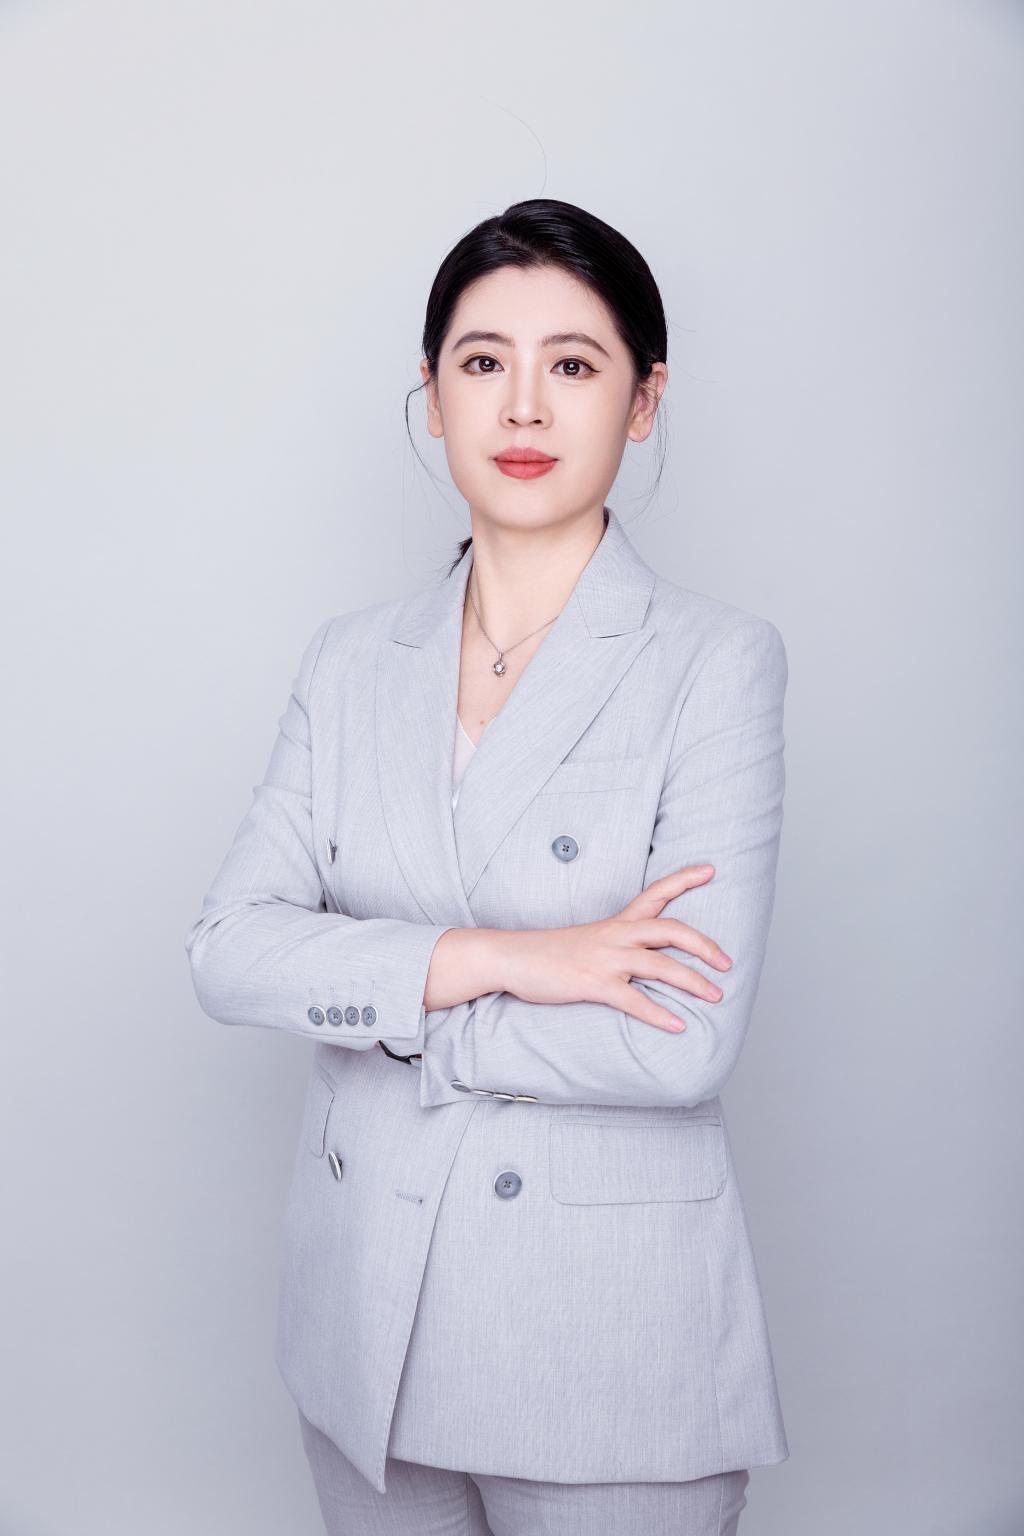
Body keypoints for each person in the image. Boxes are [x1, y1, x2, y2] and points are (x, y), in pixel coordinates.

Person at [185, 198, 790, 1536]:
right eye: (482, 360)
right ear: (432, 392)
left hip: (600, 1335)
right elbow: (228, 952)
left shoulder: (713, 664)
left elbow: (678, 1042)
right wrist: (505, 960)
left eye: (573, 363)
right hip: (364, 1326)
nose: (523, 405)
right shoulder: (351, 661)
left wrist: (390, 1015)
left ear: (644, 401)